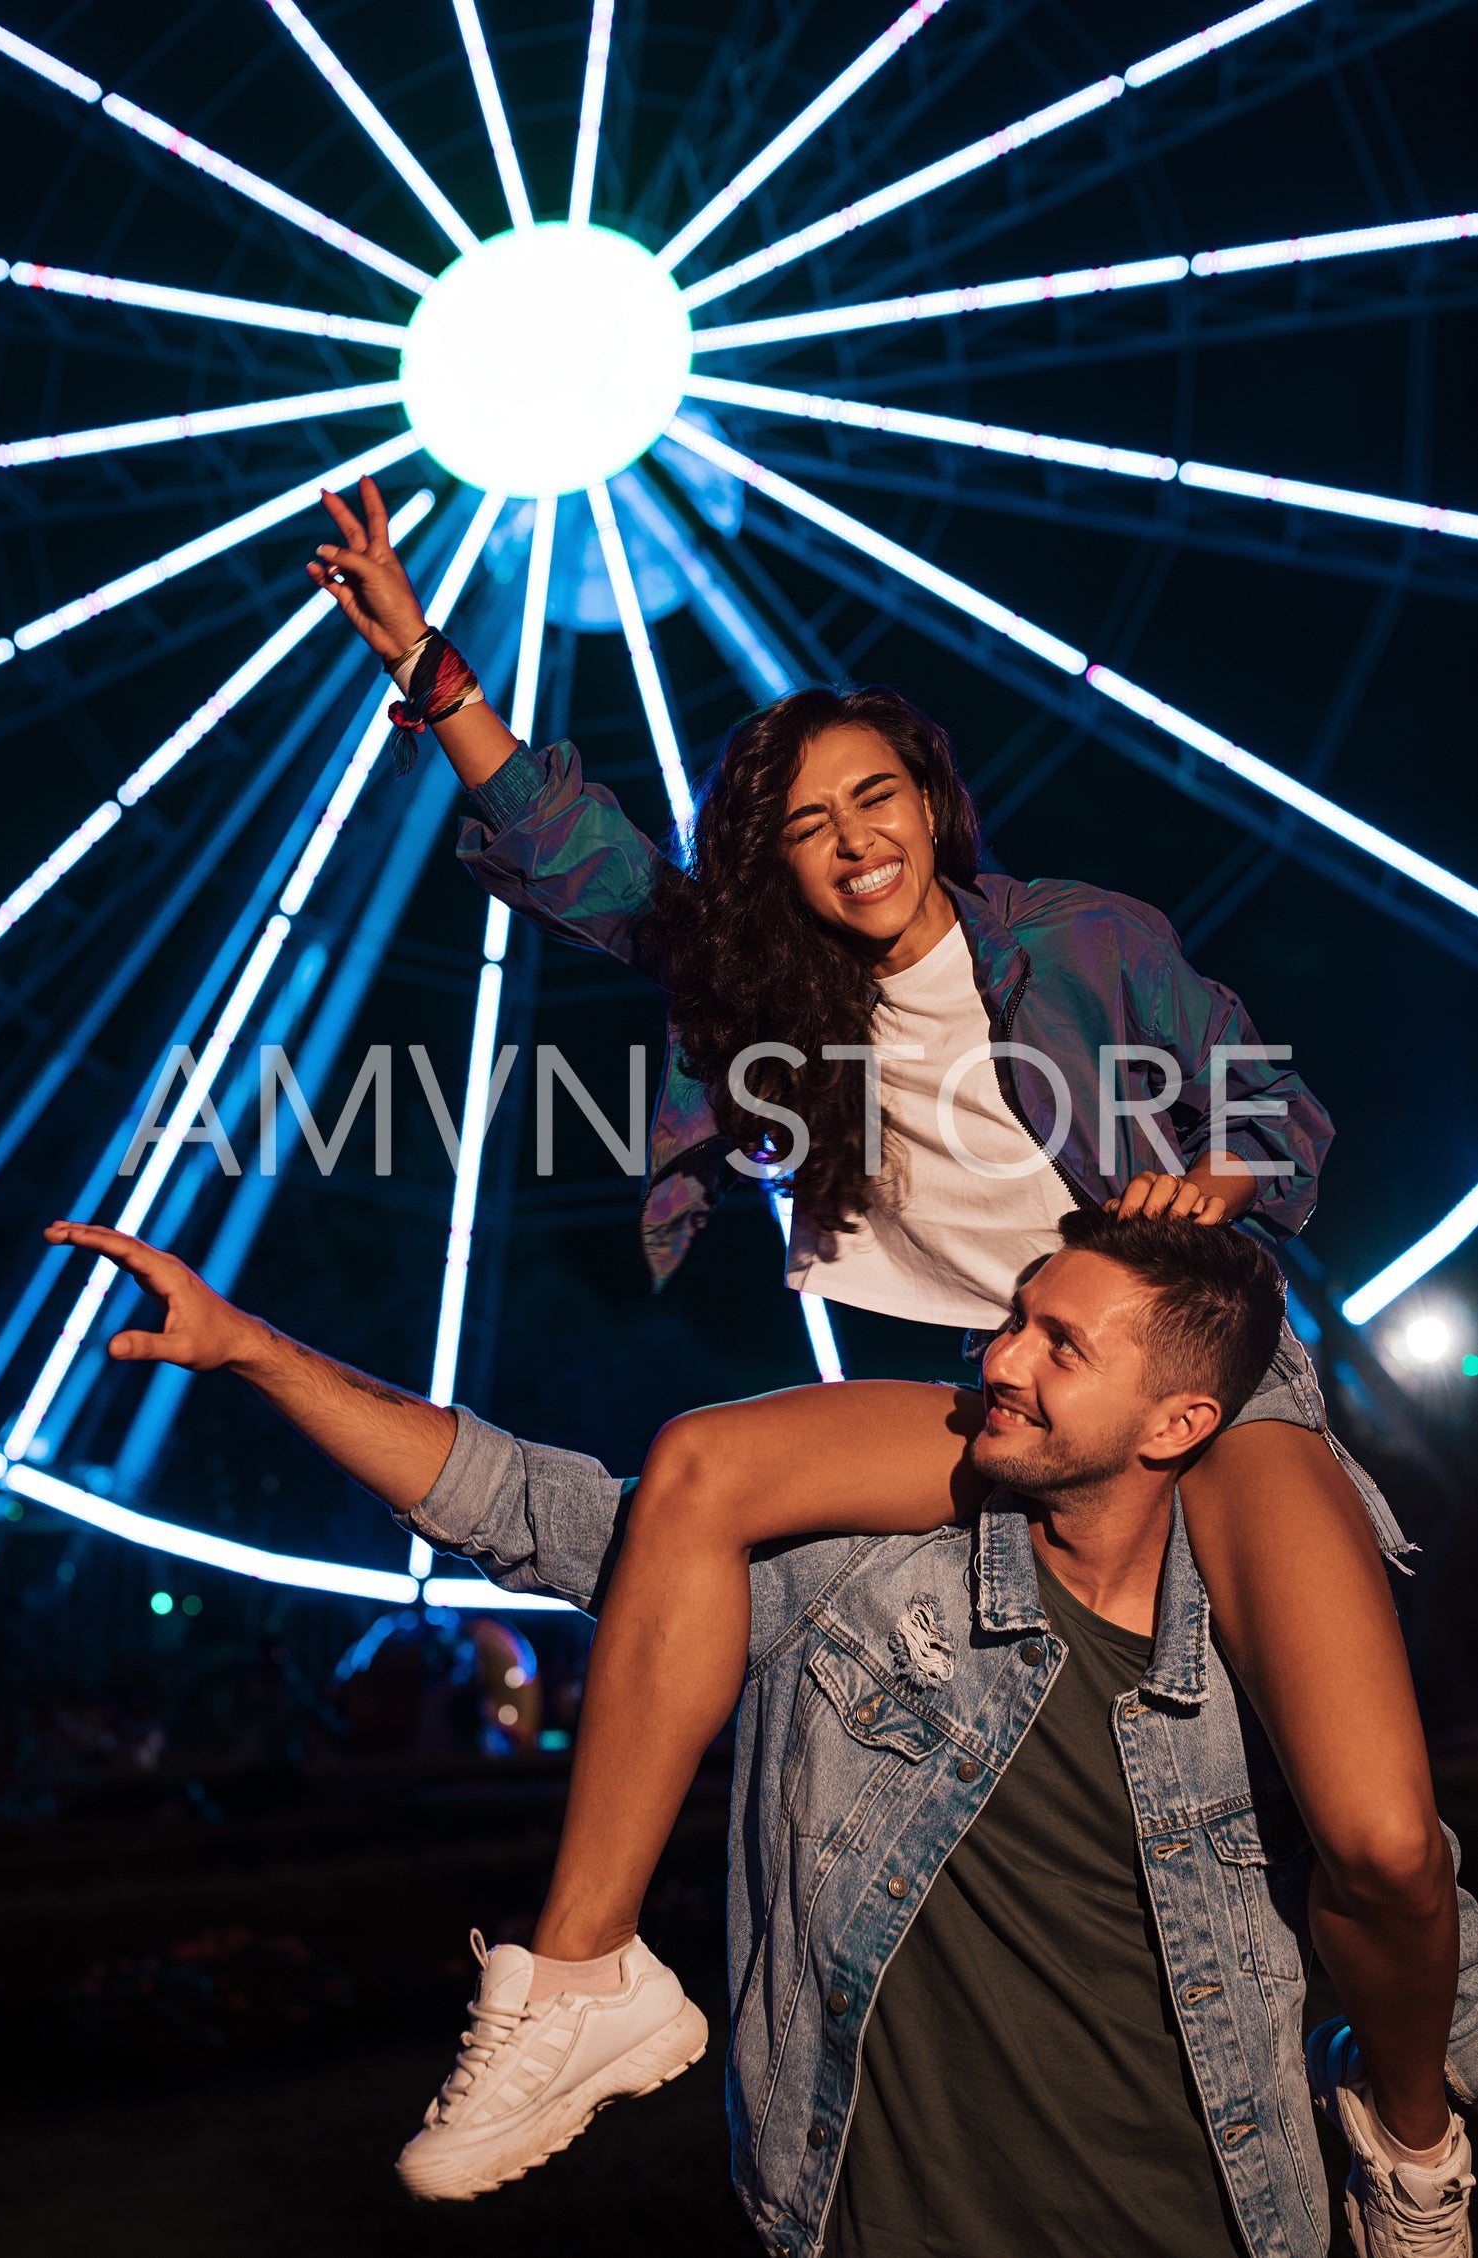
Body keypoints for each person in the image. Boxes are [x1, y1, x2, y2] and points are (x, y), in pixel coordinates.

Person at [298, 473, 1460, 2191]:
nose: (854, 841)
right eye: (807, 825)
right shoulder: (763, 993)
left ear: (931, 798)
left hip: (1197, 1380)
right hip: (990, 1391)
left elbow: (1271, 1101)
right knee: (699, 1466)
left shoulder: (1083, 946)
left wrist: (1225, 1172)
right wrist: (436, 675)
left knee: (1376, 1837)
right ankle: (584, 1982)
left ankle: (1414, 2137)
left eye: (877, 795)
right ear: (773, 861)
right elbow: (589, 861)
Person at [42, 1212, 1477, 2257]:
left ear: (1176, 1422)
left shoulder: (1260, 1669)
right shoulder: (861, 1577)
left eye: (1057, 1341)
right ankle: (582, 1977)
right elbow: (570, 1521)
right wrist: (257, 1355)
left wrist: (1417, 2137)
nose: (996, 1355)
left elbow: (1404, 1901)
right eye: (1012, 1314)